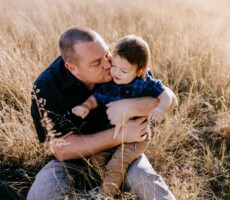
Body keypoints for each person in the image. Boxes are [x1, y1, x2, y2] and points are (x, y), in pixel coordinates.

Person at [27, 26, 177, 200]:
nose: (108, 65)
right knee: (41, 195)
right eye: (96, 63)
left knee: (151, 187)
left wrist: (128, 106)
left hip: (121, 152)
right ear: (72, 68)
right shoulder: (47, 88)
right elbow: (61, 150)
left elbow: (167, 99)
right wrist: (121, 134)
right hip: (72, 162)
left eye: (107, 55)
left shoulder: (119, 67)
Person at [71, 35, 175, 198]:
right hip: (112, 134)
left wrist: (161, 108)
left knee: (116, 164)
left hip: (135, 138)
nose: (116, 73)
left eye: (124, 70)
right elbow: (96, 98)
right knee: (96, 160)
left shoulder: (143, 81)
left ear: (139, 70)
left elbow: (167, 94)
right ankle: (104, 187)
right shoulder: (110, 81)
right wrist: (85, 106)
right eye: (114, 66)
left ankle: (105, 195)